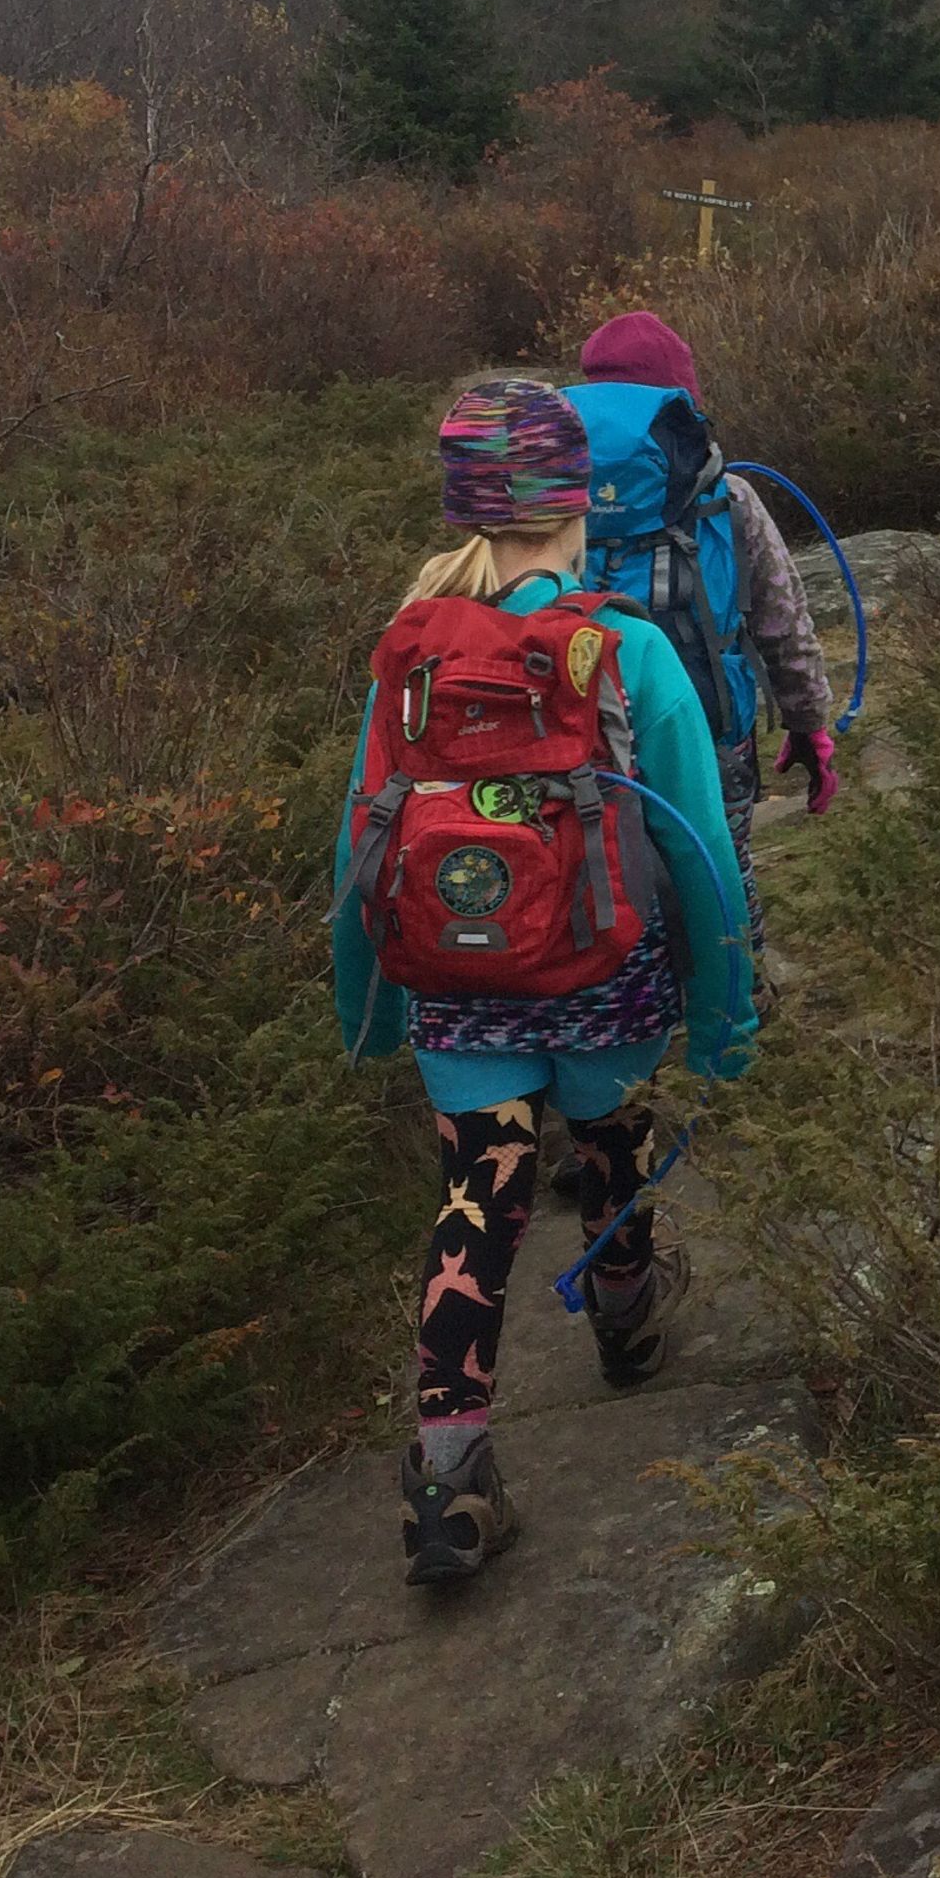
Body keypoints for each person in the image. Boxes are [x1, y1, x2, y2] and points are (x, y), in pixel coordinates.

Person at [330, 377, 758, 1587]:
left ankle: (449, 1476)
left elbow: (359, 840)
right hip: (602, 979)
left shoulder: (409, 657)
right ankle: (625, 1315)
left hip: (455, 994)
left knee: (481, 1195)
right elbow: (697, 851)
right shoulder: (623, 648)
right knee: (609, 1139)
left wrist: (359, 996)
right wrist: (725, 1014)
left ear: (462, 505)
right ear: (575, 508)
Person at [557, 310, 836, 1204]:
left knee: (590, 895)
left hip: (574, 749)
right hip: (710, 740)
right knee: (722, 880)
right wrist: (811, 727)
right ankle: (732, 1062)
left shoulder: (546, 496)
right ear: (682, 392)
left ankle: (596, 1102)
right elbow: (782, 625)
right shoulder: (725, 493)